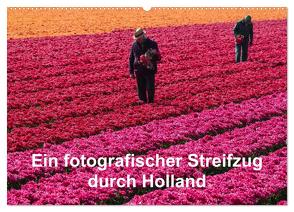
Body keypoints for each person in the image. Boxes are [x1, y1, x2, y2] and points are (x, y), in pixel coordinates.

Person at [129, 28, 161, 104]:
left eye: (139, 38)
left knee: (150, 88)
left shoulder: (152, 44)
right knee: (140, 88)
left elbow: (158, 57)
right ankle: (142, 101)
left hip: (149, 70)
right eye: (137, 39)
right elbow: (131, 58)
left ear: (143, 36)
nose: (138, 40)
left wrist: (148, 57)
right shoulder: (134, 45)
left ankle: (151, 102)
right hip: (138, 70)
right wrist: (131, 71)